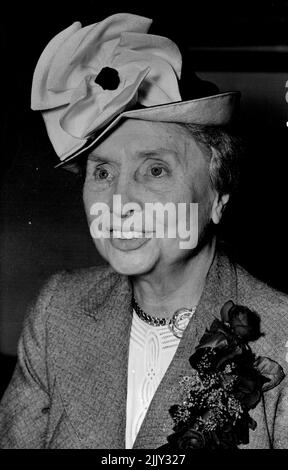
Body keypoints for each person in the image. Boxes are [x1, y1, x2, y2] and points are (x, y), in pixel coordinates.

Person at [0, 13, 287, 449]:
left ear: (218, 196)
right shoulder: (57, 312)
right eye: (102, 171)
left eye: (155, 169)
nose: (120, 201)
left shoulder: (284, 337)